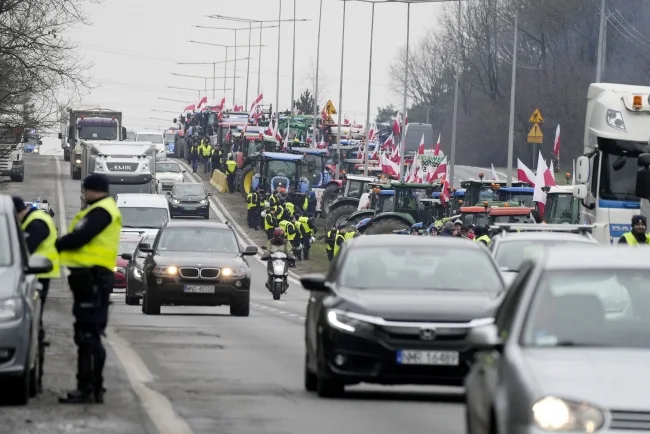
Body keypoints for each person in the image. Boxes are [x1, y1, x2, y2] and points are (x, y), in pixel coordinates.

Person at [56, 174, 122, 404]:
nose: (83, 194)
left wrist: (60, 243)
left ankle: (89, 387)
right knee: (86, 333)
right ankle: (91, 386)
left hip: (94, 279)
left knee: (88, 335)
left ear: (95, 190)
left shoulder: (102, 211)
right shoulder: (99, 209)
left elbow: (81, 237)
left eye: (85, 190)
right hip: (89, 280)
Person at [13, 196, 60, 394]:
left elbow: (26, 250)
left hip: (39, 275)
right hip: (33, 274)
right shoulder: (32, 219)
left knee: (34, 319)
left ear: (18, 212)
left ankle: (36, 369)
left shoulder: (37, 222)